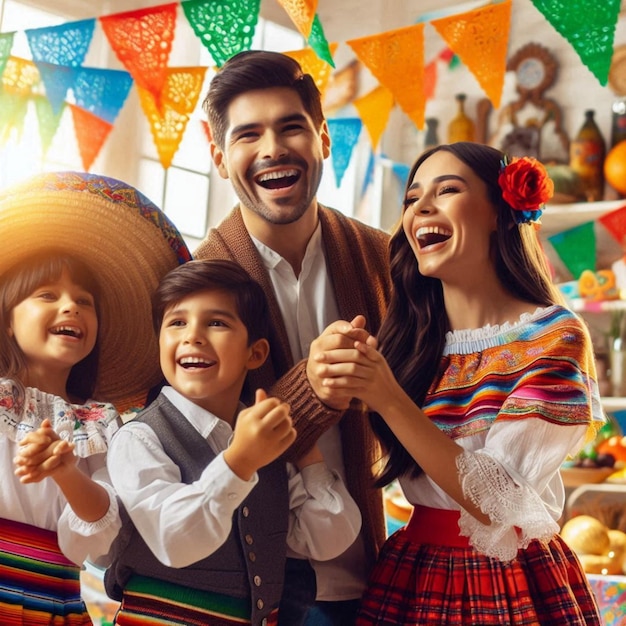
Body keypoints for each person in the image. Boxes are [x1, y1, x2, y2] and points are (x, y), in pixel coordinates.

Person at [311, 142, 604, 625]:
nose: (422, 207)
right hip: (410, 571)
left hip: (509, 578)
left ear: (499, 213)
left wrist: (386, 396)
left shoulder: (554, 335)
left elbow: (499, 500)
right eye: (412, 199)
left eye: (447, 190)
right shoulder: (409, 338)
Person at [194, 49, 391, 626]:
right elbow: (197, 446)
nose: (272, 148)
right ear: (219, 158)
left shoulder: (383, 260)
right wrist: (316, 385)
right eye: (248, 134)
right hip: (254, 585)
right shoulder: (195, 286)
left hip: (373, 572)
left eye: (291, 127)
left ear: (323, 139)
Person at [104, 258, 363, 626]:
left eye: (216, 322)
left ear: (255, 353)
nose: (192, 335)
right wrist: (238, 463)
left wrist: (305, 451)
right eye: (177, 322)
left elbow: (327, 539)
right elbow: (174, 540)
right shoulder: (138, 438)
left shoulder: (266, 446)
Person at [0, 171, 191, 625]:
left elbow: (103, 542)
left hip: (55, 602)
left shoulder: (103, 424)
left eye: (85, 301)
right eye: (47, 294)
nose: (71, 307)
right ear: (7, 320)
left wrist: (67, 473)